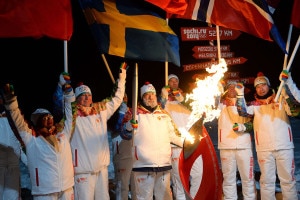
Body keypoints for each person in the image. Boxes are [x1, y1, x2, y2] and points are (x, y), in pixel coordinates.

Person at [56, 65, 127, 200]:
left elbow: (116, 98)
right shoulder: (71, 114)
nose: (86, 98)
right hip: (82, 171)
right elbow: (59, 103)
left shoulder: (100, 109)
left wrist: (122, 78)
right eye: (82, 96)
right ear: (76, 98)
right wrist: (61, 85)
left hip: (102, 169)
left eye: (88, 95)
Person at [2, 73, 75, 200]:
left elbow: (70, 116)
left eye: (50, 116)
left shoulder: (62, 133)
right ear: (37, 121)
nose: (49, 119)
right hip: (45, 192)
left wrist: (69, 96)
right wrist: (11, 103)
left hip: (67, 188)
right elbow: (18, 121)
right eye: (44, 118)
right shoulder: (31, 138)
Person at [235, 72, 298, 200]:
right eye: (258, 86)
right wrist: (240, 94)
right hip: (264, 148)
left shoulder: (280, 99)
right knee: (267, 181)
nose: (261, 88)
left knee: (287, 180)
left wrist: (287, 84)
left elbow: (295, 110)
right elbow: (242, 112)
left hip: (284, 146)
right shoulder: (254, 105)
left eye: (263, 85)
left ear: (268, 86)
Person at [121, 82, 183, 200]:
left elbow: (174, 136)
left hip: (164, 164)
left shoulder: (164, 114)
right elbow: (124, 134)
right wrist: (129, 125)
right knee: (144, 197)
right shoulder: (134, 113)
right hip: (143, 165)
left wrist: (188, 143)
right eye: (146, 94)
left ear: (156, 95)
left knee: (165, 197)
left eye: (152, 94)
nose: (150, 97)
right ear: (142, 97)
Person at [160, 74, 198, 199]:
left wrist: (180, 97)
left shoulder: (186, 99)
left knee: (197, 174)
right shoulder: (164, 102)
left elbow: (196, 106)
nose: (174, 83)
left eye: (176, 81)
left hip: (190, 144)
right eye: (171, 81)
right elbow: (158, 109)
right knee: (178, 180)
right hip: (175, 145)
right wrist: (164, 96)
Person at [217, 80, 256, 200]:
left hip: (244, 146)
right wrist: (218, 87)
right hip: (226, 146)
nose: (232, 88)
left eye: (235, 87)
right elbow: (213, 99)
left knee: (248, 179)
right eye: (230, 87)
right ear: (227, 90)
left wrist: (242, 127)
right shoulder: (220, 105)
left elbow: (253, 124)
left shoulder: (247, 105)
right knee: (228, 180)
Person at [0, 92, 27, 200]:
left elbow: (19, 143)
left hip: (12, 167)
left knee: (12, 197)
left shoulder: (14, 119)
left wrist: (31, 163)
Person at [111, 94, 133, 200]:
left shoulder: (132, 116)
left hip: (136, 158)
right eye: (125, 114)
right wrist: (122, 111)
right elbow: (117, 127)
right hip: (122, 158)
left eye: (129, 114)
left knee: (136, 188)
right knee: (122, 187)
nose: (127, 115)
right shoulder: (114, 116)